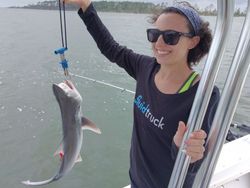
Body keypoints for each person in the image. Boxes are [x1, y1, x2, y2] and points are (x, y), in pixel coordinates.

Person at [64, 0, 220, 187]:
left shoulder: (204, 94)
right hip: (137, 180)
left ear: (193, 42)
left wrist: (184, 148)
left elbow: (195, 165)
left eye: (171, 36)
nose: (159, 43)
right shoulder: (145, 67)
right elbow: (111, 49)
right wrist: (85, 6)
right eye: (154, 35)